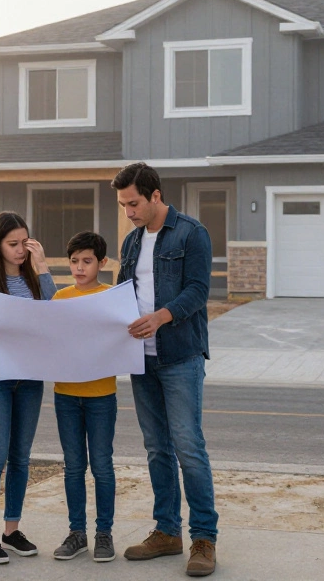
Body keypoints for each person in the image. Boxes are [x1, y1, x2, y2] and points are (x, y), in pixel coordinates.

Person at [112, 162, 218, 577]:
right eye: (123, 205)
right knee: (156, 447)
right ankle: (167, 531)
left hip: (180, 356)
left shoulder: (193, 233)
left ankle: (204, 539)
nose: (129, 212)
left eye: (133, 203)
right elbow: (125, 294)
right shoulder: (132, 241)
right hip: (141, 360)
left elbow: (198, 291)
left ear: (155, 195)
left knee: (189, 448)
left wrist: (161, 317)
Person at [0, 211, 57, 564]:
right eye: (13, 244)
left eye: (25, 242)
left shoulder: (36, 281)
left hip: (30, 377)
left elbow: (53, 312)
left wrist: (44, 265)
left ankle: (11, 530)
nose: (21, 250)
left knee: (21, 457)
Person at [50, 231, 118, 564]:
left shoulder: (113, 297)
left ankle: (103, 534)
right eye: (74, 261)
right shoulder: (59, 298)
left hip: (102, 395)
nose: (79, 267)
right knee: (73, 467)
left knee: (102, 466)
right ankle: (77, 533)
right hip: (65, 395)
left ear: (102, 263)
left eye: (87, 261)